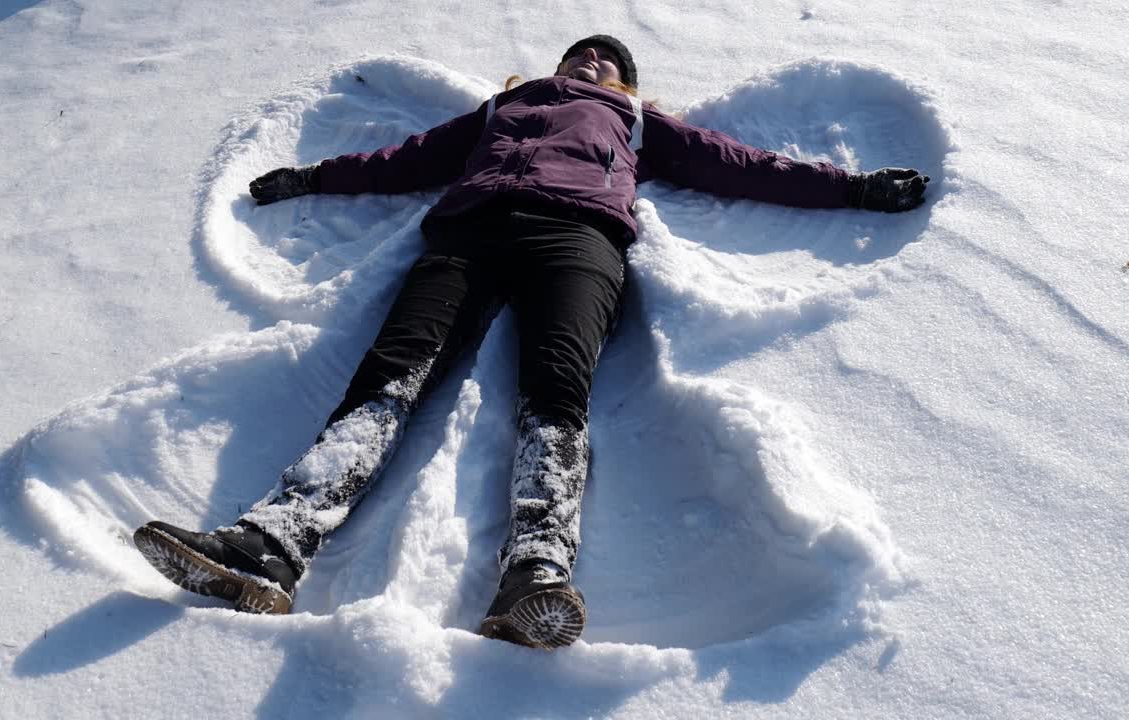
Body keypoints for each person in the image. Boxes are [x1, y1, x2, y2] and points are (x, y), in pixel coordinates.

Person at [133, 35, 930, 648]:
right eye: (582, 53)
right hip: (467, 236)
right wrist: (311, 178)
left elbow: (740, 165)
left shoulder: (637, 122)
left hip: (577, 239)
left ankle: (535, 573)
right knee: (392, 372)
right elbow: (407, 161)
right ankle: (271, 545)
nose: (592, 62)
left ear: (625, 86)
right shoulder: (498, 110)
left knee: (556, 389)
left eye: (609, 62)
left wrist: (854, 188)